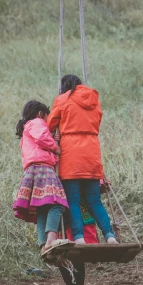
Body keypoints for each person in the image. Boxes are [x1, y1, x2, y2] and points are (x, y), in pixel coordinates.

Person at [48, 74, 118, 245]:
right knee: (94, 200)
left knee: (73, 200)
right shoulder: (94, 99)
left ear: (64, 86)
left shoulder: (62, 99)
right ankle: (110, 236)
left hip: (71, 156)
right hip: (92, 155)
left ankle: (78, 238)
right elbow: (97, 122)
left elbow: (50, 123)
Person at [12, 100, 70, 254]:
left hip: (32, 170)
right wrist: (56, 147)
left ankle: (43, 244)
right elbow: (42, 138)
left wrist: (53, 141)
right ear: (40, 114)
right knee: (58, 203)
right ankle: (51, 239)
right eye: (46, 118)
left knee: (42, 208)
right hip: (43, 169)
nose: (46, 122)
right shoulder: (36, 122)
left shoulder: (26, 129)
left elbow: (41, 143)